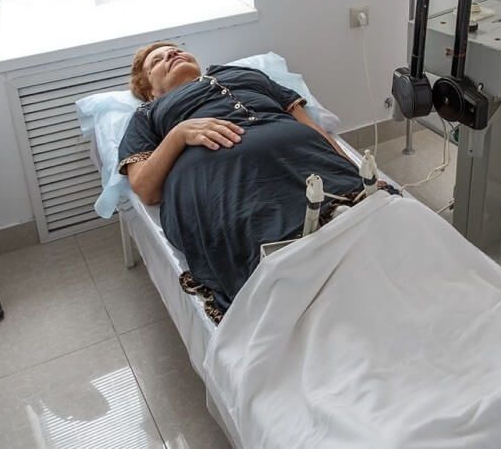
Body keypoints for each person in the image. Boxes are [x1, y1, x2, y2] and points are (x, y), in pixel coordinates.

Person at [118, 42, 372, 317]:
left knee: (369, 218)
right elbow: (146, 188)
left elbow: (312, 127)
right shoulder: (147, 115)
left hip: (308, 160)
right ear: (149, 91)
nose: (171, 53)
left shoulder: (246, 75)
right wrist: (178, 135)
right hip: (229, 189)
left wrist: (355, 171)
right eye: (157, 61)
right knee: (281, 266)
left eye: (176, 49)